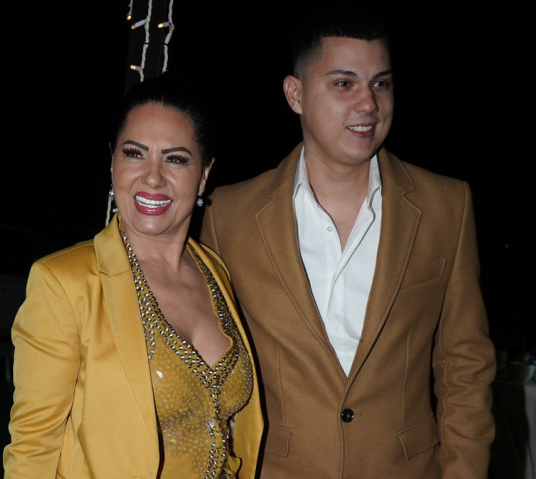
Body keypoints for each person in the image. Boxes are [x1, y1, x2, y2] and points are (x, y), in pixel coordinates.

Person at [199, 7, 496, 478]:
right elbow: (212, 373)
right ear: (295, 94)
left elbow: (466, 367)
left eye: (381, 84)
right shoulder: (228, 215)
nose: (369, 104)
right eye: (344, 83)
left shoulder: (447, 206)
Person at [3, 73, 263, 478]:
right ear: (113, 163)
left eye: (175, 159)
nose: (153, 177)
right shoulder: (64, 282)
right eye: (135, 154)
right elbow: (32, 447)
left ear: (204, 175)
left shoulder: (215, 271)